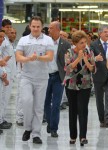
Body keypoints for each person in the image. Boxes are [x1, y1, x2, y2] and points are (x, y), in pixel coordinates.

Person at [15, 16, 54, 144]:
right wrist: (28, 59)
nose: (36, 29)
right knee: (26, 101)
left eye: (38, 26)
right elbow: (18, 56)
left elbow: (49, 57)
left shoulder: (48, 40)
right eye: (33, 26)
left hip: (42, 78)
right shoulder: (23, 40)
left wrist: (38, 58)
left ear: (42, 27)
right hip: (26, 76)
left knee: (38, 107)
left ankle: (36, 134)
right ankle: (27, 128)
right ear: (29, 26)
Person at [63, 30, 96, 146]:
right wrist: (78, 58)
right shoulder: (69, 52)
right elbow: (68, 69)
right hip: (71, 85)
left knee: (83, 109)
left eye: (85, 42)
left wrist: (86, 60)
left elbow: (93, 69)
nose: (84, 45)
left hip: (85, 85)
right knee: (73, 110)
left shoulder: (89, 51)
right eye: (81, 43)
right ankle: (73, 136)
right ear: (75, 43)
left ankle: (83, 136)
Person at [44, 21, 71, 137]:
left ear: (57, 30)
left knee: (56, 103)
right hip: (45, 76)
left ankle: (54, 128)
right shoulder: (45, 42)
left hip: (58, 76)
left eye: (51, 28)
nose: (48, 30)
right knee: (45, 102)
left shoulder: (65, 44)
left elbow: (68, 61)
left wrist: (67, 75)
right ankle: (50, 123)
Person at [90, 25, 108, 128]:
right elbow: (89, 59)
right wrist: (95, 58)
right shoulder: (94, 44)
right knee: (99, 100)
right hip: (98, 76)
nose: (107, 33)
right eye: (105, 32)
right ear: (100, 33)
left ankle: (107, 119)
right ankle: (101, 119)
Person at [0, 19, 16, 129]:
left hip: (9, 72)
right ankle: (0, 120)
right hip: (4, 73)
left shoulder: (7, 41)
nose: (9, 29)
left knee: (5, 98)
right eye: (7, 27)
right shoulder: (2, 41)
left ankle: (2, 118)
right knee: (3, 98)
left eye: (10, 27)